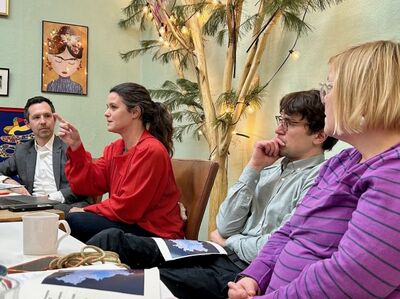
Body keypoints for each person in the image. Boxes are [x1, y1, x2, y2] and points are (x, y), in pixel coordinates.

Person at [87, 89, 337, 299]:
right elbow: (225, 223)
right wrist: (254, 167)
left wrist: (229, 241)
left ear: (319, 135)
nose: (278, 129)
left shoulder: (319, 180)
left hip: (245, 271)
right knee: (111, 239)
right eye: (279, 119)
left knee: (149, 282)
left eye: (289, 123)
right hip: (216, 252)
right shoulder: (269, 169)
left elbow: (275, 246)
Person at [227, 40, 400, 299]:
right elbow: (290, 230)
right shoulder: (340, 163)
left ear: (364, 95)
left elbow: (349, 278)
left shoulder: (392, 175)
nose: (324, 97)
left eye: (329, 87)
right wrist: (254, 276)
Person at [55, 82, 184, 243]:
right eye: (107, 107)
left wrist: (86, 210)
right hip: (130, 222)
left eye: (113, 107)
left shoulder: (151, 150)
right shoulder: (115, 148)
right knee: (74, 219)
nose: (106, 113)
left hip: (155, 233)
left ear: (135, 112)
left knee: (76, 221)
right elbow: (87, 185)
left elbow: (128, 208)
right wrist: (76, 147)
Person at [0, 96, 90, 214]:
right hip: (30, 208)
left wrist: (48, 198)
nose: (43, 121)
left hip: (66, 207)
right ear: (28, 124)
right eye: (36, 117)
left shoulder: (70, 148)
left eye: (47, 116)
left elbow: (83, 185)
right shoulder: (22, 150)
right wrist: (11, 183)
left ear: (54, 119)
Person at [45, 25, 84, 94]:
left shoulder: (78, 88)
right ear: (50, 58)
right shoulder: (51, 86)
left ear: (79, 62)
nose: (65, 66)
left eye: (71, 62)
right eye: (58, 60)